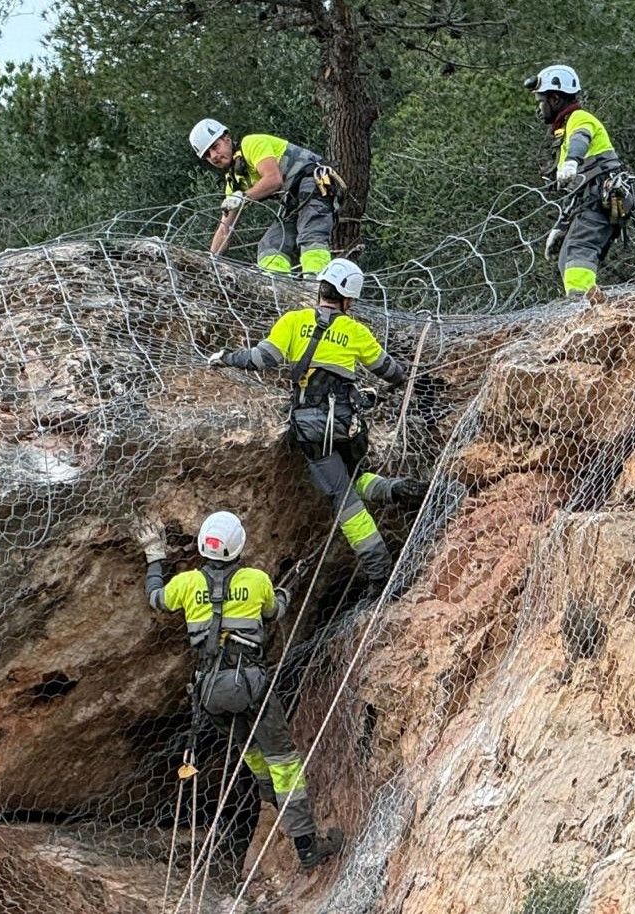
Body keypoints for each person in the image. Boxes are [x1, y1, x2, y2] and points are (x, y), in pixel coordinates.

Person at [207, 259, 427, 593]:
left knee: (345, 499)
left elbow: (261, 359)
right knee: (355, 477)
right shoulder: (355, 331)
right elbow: (392, 373)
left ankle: (381, 572)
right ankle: (396, 488)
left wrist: (225, 357)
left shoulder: (294, 321)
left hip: (313, 429)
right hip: (347, 426)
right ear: (349, 299)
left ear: (320, 288)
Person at [141, 510, 342, 871]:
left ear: (204, 544)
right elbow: (274, 610)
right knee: (284, 760)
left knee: (247, 746)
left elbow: (156, 598)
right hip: (250, 685)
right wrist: (284, 591)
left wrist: (155, 556)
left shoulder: (186, 583)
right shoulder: (256, 579)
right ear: (238, 546)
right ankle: (308, 847)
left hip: (209, 693)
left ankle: (268, 795)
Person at [527, 64, 635, 301]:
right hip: (593, 199)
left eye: (541, 101)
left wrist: (571, 162)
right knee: (568, 252)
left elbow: (581, 137)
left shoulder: (579, 118)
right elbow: (578, 194)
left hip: (602, 196)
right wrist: (561, 226)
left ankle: (580, 304)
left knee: (579, 249)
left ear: (554, 98)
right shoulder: (564, 133)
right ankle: (584, 300)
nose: (539, 108)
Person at [189, 118, 343, 277]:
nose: (214, 156)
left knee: (310, 235)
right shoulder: (234, 182)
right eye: (207, 155)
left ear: (227, 139)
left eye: (215, 147)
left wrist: (243, 197)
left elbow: (273, 180)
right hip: (292, 199)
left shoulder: (251, 144)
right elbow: (224, 229)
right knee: (271, 245)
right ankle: (279, 289)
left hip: (313, 183)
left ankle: (316, 284)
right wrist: (210, 262)